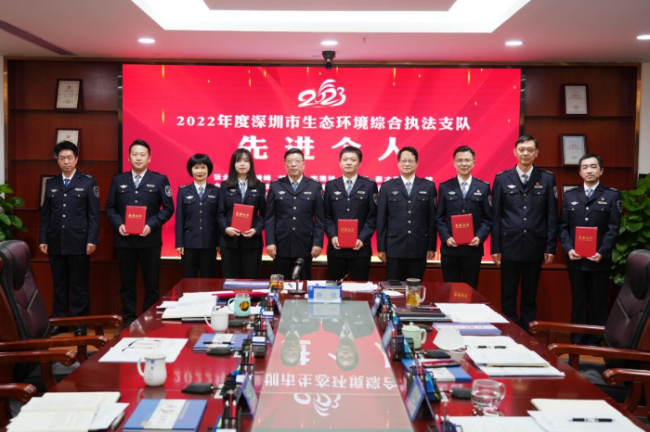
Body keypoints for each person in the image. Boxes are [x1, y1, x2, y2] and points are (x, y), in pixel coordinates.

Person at [491, 135, 558, 330]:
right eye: (522, 149)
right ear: (515, 152)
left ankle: (528, 332)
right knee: (508, 294)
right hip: (509, 245)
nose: (525, 153)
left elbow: (552, 214)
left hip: (535, 245)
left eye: (530, 150)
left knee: (530, 294)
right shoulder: (502, 178)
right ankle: (511, 331)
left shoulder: (547, 178)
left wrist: (550, 247)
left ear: (536, 153)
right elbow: (496, 216)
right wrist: (496, 248)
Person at [106, 139, 174, 325]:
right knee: (127, 285)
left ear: (149, 158)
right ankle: (128, 321)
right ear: (128, 158)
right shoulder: (118, 180)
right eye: (135, 154)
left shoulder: (159, 180)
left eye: (142, 155)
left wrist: (151, 224)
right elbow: (110, 209)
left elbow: (168, 208)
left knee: (151, 285)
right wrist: (119, 224)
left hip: (149, 241)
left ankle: (149, 323)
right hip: (124, 242)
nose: (138, 158)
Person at [559, 154, 622, 345]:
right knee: (578, 300)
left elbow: (613, 229)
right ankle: (577, 339)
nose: (589, 170)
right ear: (580, 172)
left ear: (601, 171)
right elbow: (563, 227)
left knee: (598, 301)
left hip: (599, 259)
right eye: (585, 167)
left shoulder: (612, 195)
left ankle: (596, 341)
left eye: (593, 167)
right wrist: (568, 248)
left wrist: (602, 252)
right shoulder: (570, 196)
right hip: (576, 259)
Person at [39, 141, 99, 336]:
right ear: (57, 160)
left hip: (79, 242)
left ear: (76, 159)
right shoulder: (52, 183)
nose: (66, 161)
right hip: (56, 241)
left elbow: (94, 215)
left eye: (69, 158)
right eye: (62, 158)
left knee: (79, 285)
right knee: (59, 284)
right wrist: (43, 238)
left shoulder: (88, 182)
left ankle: (80, 323)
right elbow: (46, 214)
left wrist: (92, 239)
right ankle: (60, 322)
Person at [435, 146, 492, 289]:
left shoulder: (483, 187)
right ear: (454, 163)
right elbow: (439, 218)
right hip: (450, 249)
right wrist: (446, 237)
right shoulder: (445, 187)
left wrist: (479, 237)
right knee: (450, 289)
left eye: (467, 160)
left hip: (473, 249)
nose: (464, 164)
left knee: (470, 289)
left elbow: (488, 218)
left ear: (474, 162)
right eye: (460, 160)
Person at [377, 146, 436, 281]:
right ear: (398, 163)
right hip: (394, 246)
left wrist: (431, 246)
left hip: (419, 246)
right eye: (403, 161)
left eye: (410, 161)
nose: (407, 164)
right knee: (394, 287)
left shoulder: (428, 186)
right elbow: (381, 220)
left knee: (414, 288)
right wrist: (381, 248)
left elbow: (431, 219)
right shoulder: (387, 187)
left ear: (417, 163)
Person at [265, 148, 324, 280]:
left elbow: (320, 218)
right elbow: (270, 217)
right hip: (281, 244)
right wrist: (270, 242)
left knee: (303, 282)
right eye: (290, 161)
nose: (293, 164)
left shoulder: (314, 186)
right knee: (281, 283)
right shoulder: (276, 186)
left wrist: (318, 243)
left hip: (305, 244)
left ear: (303, 164)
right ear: (285, 164)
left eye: (297, 161)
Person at [324, 146, 378, 281]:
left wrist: (362, 239)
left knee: (361, 289)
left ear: (360, 163)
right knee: (334, 288)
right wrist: (332, 235)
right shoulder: (331, 186)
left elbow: (372, 216)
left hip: (361, 249)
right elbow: (326, 215)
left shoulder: (369, 185)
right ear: (339, 163)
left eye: (353, 160)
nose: (348, 162)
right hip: (336, 249)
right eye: (345, 159)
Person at [217, 148, 266, 279]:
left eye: (246, 160)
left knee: (251, 280)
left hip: (252, 242)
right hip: (229, 242)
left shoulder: (259, 186)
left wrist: (256, 230)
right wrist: (226, 229)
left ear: (251, 164)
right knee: (230, 281)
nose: (242, 164)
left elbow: (265, 214)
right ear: (234, 164)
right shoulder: (225, 186)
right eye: (238, 161)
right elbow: (220, 213)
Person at [175, 154, 219, 278]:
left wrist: (219, 243)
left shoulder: (216, 191)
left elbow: (219, 218)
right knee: (189, 279)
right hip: (189, 244)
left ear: (208, 169)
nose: (200, 171)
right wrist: (179, 243)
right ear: (191, 170)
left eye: (203, 167)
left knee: (208, 279)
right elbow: (179, 218)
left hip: (209, 243)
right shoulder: (183, 191)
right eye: (196, 167)